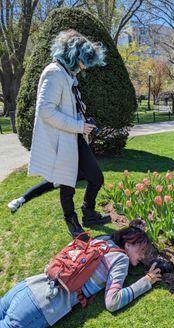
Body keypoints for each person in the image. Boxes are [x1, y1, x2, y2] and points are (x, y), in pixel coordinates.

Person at [0, 222, 162, 328]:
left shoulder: (101, 240)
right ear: (127, 244)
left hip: (28, 285)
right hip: (40, 306)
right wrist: (147, 281)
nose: (143, 255)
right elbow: (113, 301)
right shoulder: (121, 259)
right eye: (141, 250)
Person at [28, 29, 111, 239]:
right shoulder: (54, 72)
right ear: (74, 56)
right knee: (67, 184)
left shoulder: (67, 74)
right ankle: (71, 220)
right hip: (64, 138)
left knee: (96, 177)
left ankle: (88, 213)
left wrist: (82, 122)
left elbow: (68, 107)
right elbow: (45, 110)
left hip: (75, 136)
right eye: (83, 62)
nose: (84, 67)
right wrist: (77, 126)